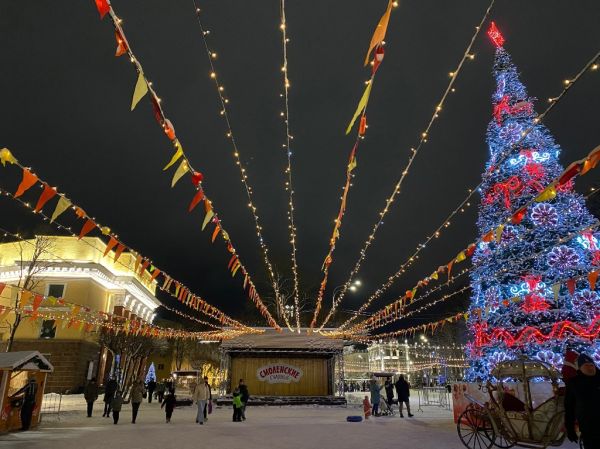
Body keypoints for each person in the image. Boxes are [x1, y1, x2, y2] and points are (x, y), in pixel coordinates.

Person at [565, 354, 600, 448]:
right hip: (588, 428)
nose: (590, 368)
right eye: (586, 366)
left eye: (591, 365)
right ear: (580, 368)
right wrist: (570, 429)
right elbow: (569, 407)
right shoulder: (574, 383)